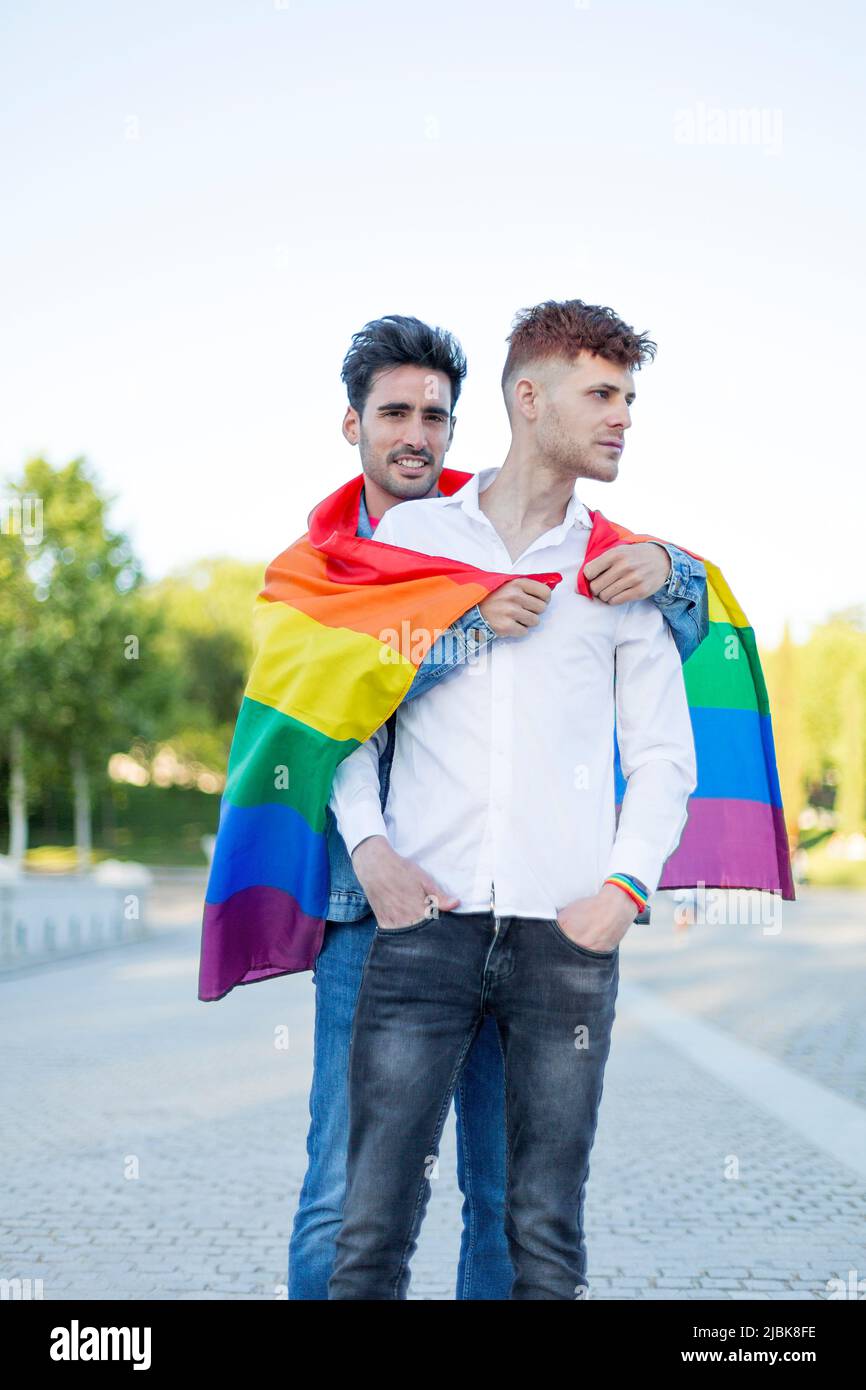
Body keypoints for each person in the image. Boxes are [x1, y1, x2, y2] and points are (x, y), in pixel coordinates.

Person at [288, 311, 707, 1300]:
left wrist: (620, 891)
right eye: (600, 395)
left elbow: (662, 752)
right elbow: (337, 708)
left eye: (628, 399)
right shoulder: (403, 540)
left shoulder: (619, 563)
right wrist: (372, 849)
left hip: (557, 938)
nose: (621, 419)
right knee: (361, 1217)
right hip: (405, 925)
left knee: (531, 1229)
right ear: (531, 398)